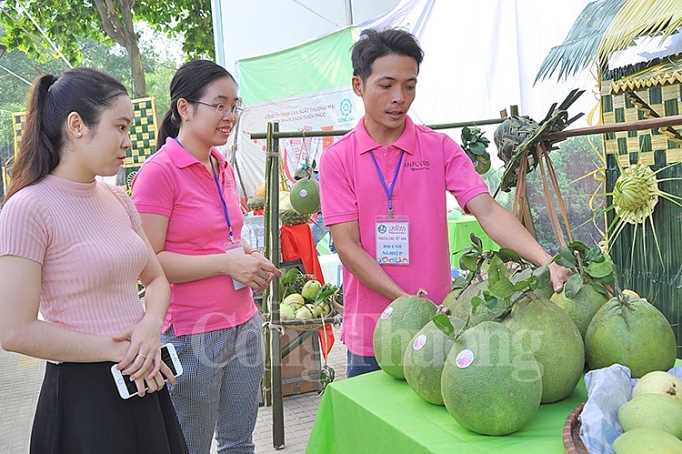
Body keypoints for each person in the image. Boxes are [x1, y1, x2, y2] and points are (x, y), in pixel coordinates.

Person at [318, 28, 572, 378]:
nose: (399, 97)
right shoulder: (338, 159)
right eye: (386, 85)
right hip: (374, 332)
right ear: (358, 86)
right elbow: (347, 245)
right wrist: (407, 301)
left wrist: (547, 261)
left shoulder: (438, 148)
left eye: (410, 86)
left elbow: (488, 210)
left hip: (441, 329)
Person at [0, 67, 188, 453]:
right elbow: (15, 330)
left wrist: (150, 328)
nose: (127, 140)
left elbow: (156, 280)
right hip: (84, 399)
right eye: (119, 126)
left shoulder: (118, 199)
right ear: (76, 126)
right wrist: (117, 349)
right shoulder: (27, 208)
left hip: (142, 377)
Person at [130, 60, 282, 454]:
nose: (230, 116)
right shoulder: (158, 173)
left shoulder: (222, 165)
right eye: (220, 105)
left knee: (238, 441)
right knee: (189, 445)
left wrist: (250, 257)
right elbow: (151, 263)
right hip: (192, 332)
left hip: (244, 321)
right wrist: (227, 264)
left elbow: (224, 238)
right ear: (184, 108)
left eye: (235, 106)